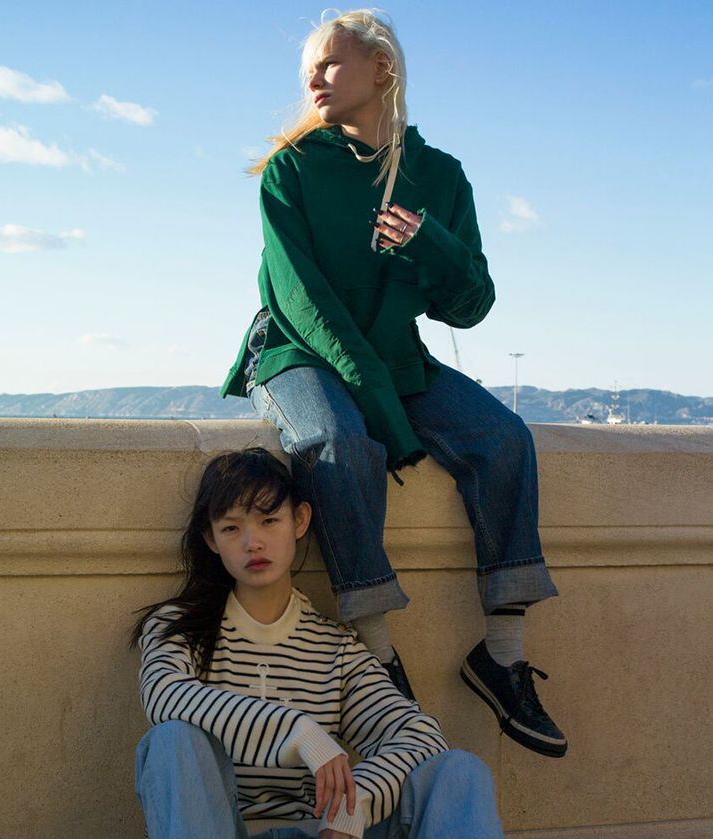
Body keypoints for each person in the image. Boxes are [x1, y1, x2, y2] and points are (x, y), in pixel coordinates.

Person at [131, 447, 544, 839]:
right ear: (211, 540)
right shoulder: (177, 630)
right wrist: (301, 735)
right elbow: (166, 697)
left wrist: (353, 806)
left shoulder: (337, 648)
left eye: (267, 520)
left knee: (456, 769)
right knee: (172, 739)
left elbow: (417, 734)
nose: (252, 541)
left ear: (300, 521)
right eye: (232, 527)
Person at [221, 8, 567, 760]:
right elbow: (301, 300)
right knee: (341, 441)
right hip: (297, 353)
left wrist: (427, 240)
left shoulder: (441, 175)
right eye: (307, 69)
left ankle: (502, 656)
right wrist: (373, 393)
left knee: (505, 437)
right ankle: (376, 660)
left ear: (381, 68)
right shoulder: (292, 170)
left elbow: (470, 305)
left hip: (394, 358)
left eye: (329, 63)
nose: (313, 79)